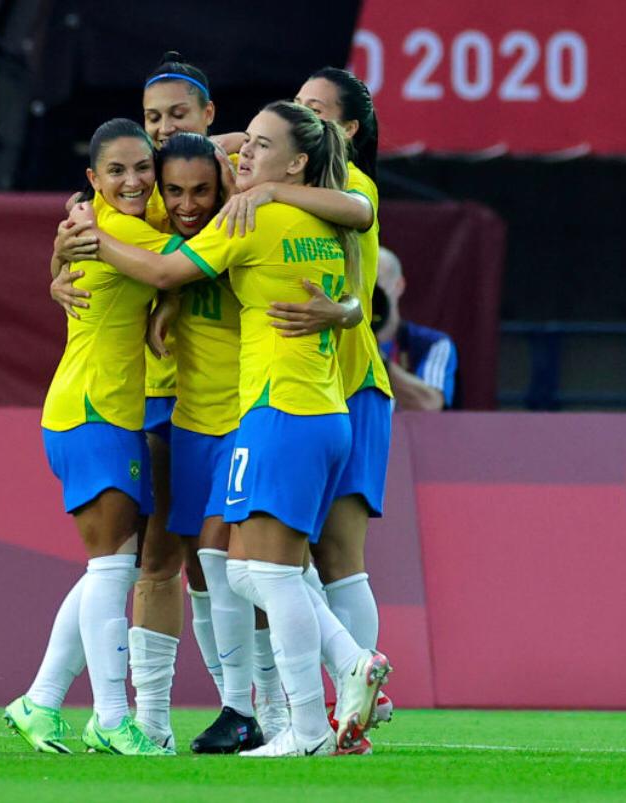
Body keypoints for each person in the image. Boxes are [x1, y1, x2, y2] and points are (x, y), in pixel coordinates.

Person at [70, 101, 392, 758]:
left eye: (262, 145)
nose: (247, 153)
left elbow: (164, 269)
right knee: (249, 569)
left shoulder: (255, 217)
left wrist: (92, 238)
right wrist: (343, 307)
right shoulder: (325, 216)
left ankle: (312, 719)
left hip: (278, 410)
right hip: (327, 410)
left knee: (264, 575)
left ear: (296, 161)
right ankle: (335, 678)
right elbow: (356, 278)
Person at [4, 118, 178, 756]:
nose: (132, 181)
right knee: (112, 569)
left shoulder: (94, 221)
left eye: (142, 169)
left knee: (111, 568)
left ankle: (41, 700)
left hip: (100, 411)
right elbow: (171, 269)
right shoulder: (111, 227)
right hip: (92, 410)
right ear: (92, 180)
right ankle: (110, 716)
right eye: (117, 172)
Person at [376, 246, 458, 411]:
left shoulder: (433, 344)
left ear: (399, 285)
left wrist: (374, 357)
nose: (368, 294)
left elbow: (431, 404)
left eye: (375, 283)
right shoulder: (336, 339)